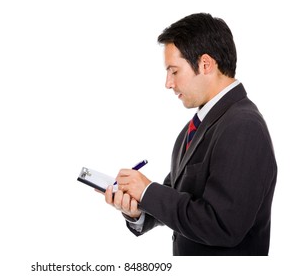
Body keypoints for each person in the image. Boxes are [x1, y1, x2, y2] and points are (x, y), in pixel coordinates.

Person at [102, 13, 277, 256]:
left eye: (174, 71)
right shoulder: (195, 127)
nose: (168, 83)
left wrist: (147, 191)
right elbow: (178, 198)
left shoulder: (243, 126)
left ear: (206, 64)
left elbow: (223, 226)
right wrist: (138, 210)